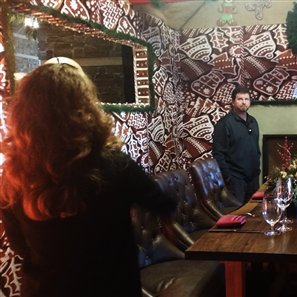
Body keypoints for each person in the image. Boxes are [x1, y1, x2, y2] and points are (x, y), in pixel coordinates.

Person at [0, 57, 177, 297]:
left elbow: (21, 246)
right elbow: (163, 203)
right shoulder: (114, 165)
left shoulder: (12, 177)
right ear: (85, 108)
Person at [212, 84, 261, 204]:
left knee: (254, 213)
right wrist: (228, 178)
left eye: (246, 99)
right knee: (238, 215)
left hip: (253, 178)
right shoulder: (224, 124)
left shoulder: (253, 121)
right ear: (233, 102)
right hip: (236, 179)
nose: (243, 102)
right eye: (240, 99)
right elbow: (218, 154)